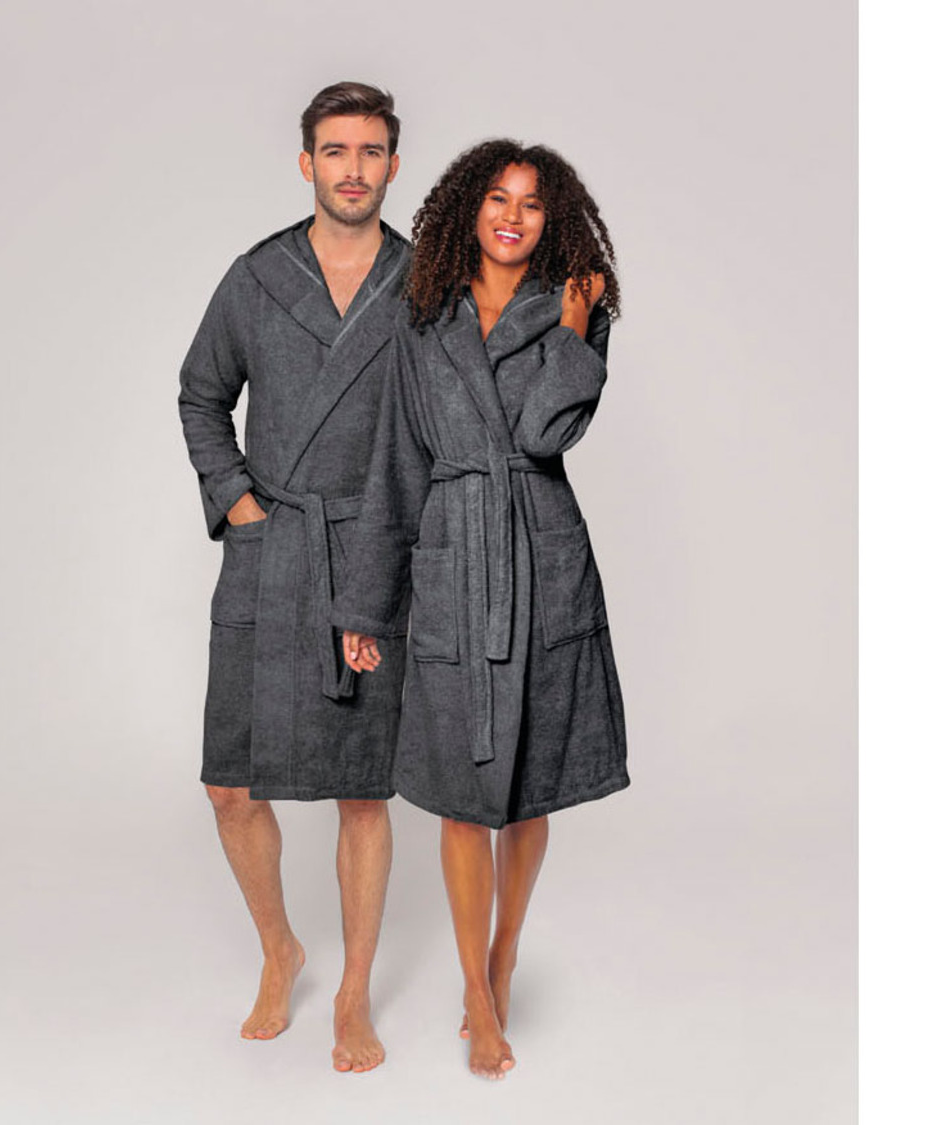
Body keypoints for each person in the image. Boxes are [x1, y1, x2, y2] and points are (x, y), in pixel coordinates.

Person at [334, 139, 629, 1079]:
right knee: (464, 795)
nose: (513, 215)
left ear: (552, 220)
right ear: (469, 208)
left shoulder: (576, 307)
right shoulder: (421, 315)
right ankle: (473, 985)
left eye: (532, 204)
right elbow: (394, 462)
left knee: (527, 786)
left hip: (541, 554)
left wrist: (573, 332)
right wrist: (366, 605)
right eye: (498, 198)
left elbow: (543, 432)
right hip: (453, 561)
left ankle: (504, 953)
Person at [177, 81, 410, 1074]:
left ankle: (353, 992)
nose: (353, 169)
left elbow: (447, 426)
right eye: (336, 150)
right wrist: (240, 506)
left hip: (372, 551)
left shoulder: (423, 284)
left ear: (393, 164)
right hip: (272, 553)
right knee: (230, 784)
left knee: (363, 790)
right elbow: (200, 395)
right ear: (307, 161)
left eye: (371, 151)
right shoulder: (257, 277)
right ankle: (281, 949)